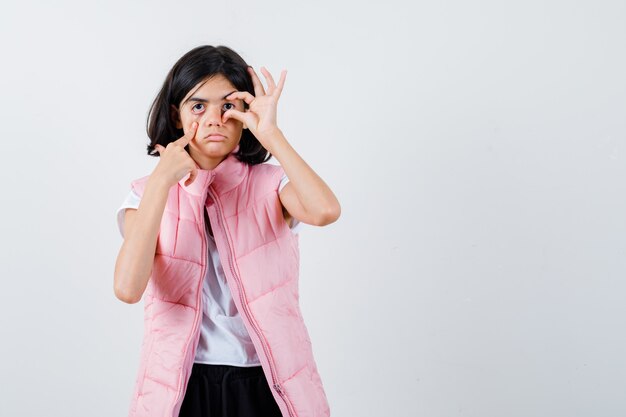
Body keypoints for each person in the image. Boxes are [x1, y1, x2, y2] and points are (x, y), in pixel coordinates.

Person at [113, 45, 340, 417]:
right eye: (198, 106)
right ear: (177, 114)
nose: (215, 118)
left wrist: (272, 136)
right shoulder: (145, 194)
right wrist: (161, 182)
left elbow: (325, 211)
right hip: (181, 384)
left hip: (267, 381)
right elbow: (127, 288)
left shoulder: (271, 184)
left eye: (229, 106)